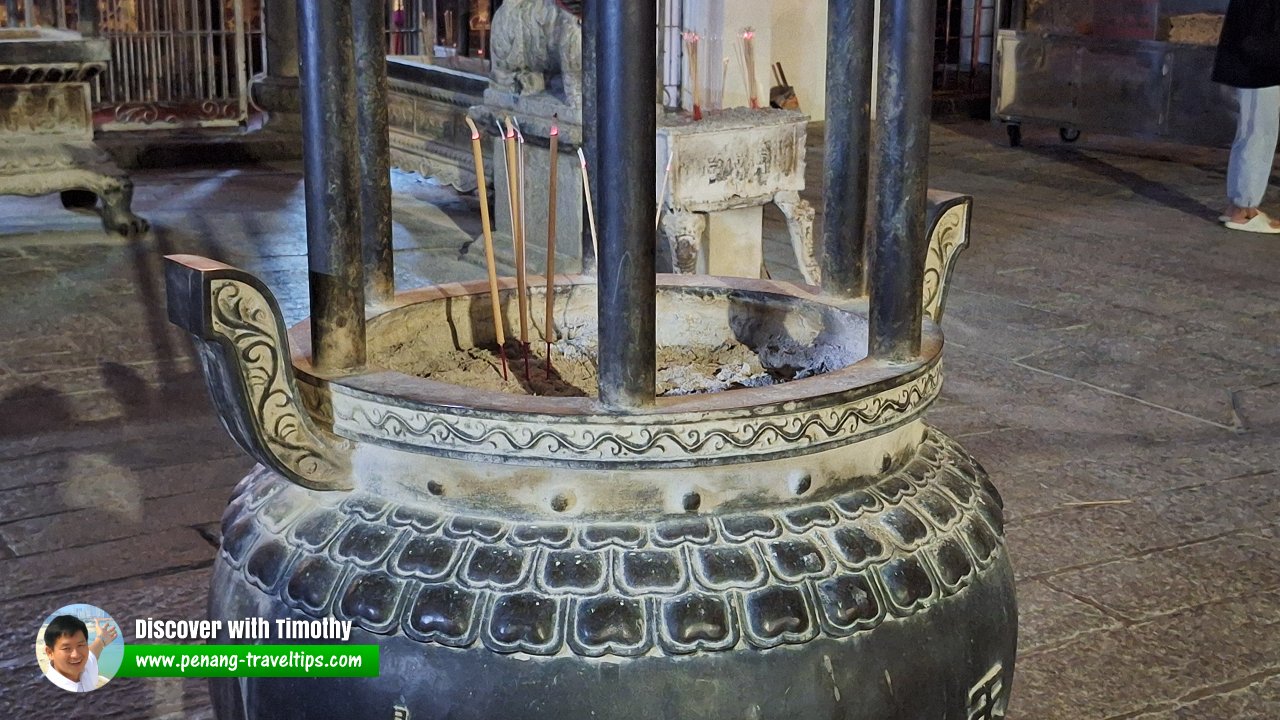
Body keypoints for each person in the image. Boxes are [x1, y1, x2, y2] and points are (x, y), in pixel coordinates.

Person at [1213, 0, 1280, 233]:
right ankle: (1245, 210)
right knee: (1259, 133)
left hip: (1252, 64)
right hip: (1260, 67)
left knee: (1250, 133)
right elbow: (1260, 31)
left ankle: (1238, 205)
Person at [42, 615, 117, 692]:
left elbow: (94, 651)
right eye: (66, 648)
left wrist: (101, 639)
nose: (76, 655)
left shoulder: (86, 667)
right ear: (50, 653)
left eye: (80, 645)